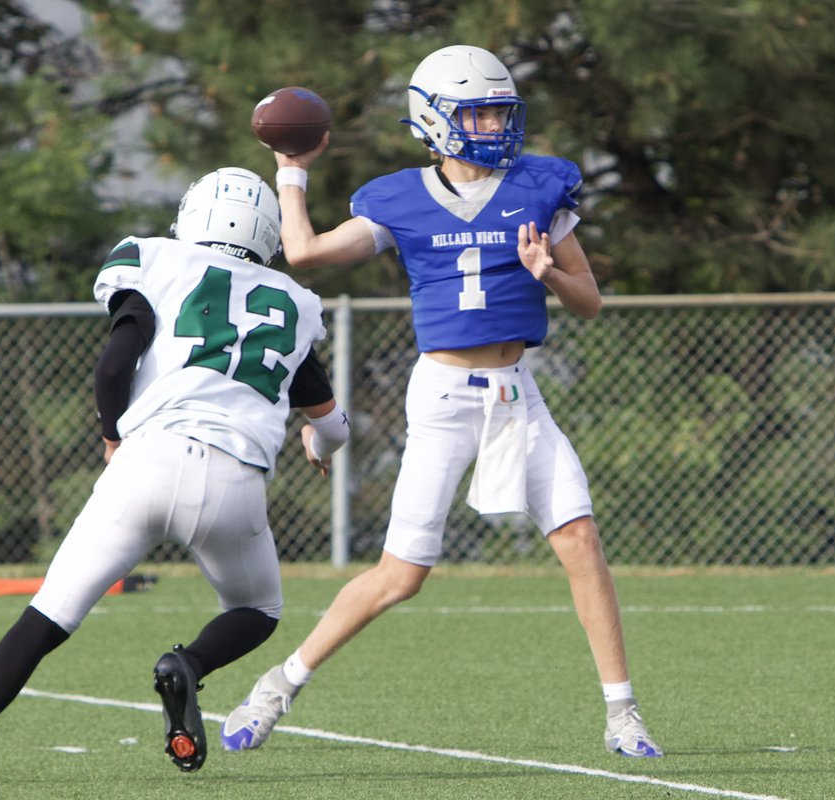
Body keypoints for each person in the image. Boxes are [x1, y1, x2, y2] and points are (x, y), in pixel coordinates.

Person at [220, 45, 662, 758]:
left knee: (581, 541)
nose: (494, 124)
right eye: (477, 111)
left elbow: (590, 302)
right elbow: (302, 254)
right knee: (402, 575)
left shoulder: (541, 186)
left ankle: (623, 713)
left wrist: (549, 272)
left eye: (499, 109)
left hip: (519, 395)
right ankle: (279, 684)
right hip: (446, 397)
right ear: (434, 121)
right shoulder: (399, 197)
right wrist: (291, 171)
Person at [0, 167, 349, 773]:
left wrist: (110, 436)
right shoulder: (295, 303)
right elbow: (333, 425)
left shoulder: (152, 259)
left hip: (147, 460)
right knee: (258, 611)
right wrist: (319, 444)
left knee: (45, 619)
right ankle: (190, 664)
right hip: (235, 480)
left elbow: (112, 369)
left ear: (191, 215)